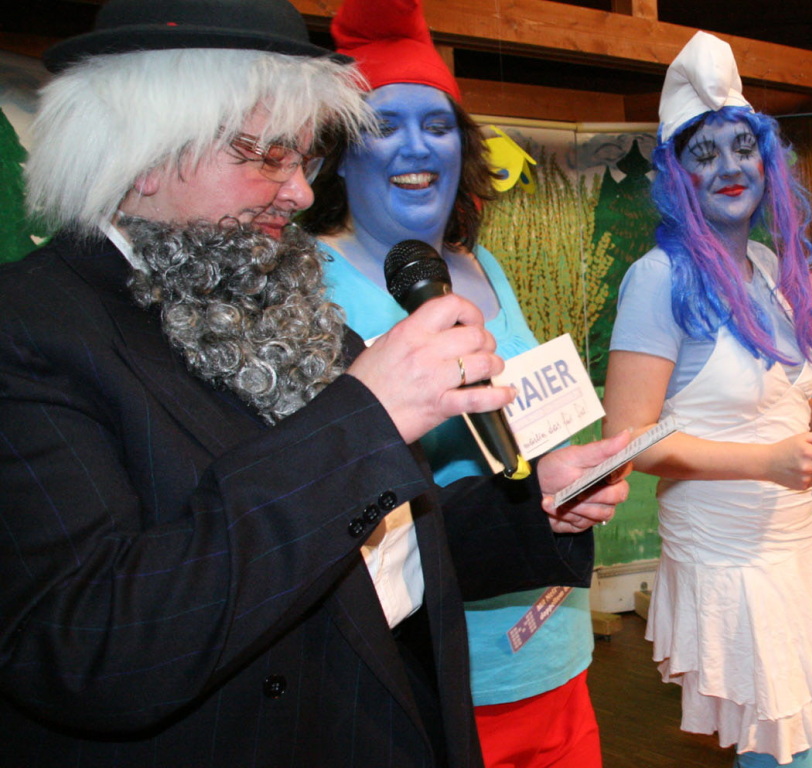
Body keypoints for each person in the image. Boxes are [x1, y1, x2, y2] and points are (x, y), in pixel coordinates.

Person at [0, 1, 632, 765]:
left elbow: (377, 550)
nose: (300, 193)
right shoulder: (31, 331)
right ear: (145, 153)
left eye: (303, 159)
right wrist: (363, 420)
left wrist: (536, 510)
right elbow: (94, 644)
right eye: (267, 157)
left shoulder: (285, 300)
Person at [298, 1, 604, 765]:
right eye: (385, 125)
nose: (416, 146)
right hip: (428, 670)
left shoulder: (482, 267)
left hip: (554, 639)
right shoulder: (311, 286)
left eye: (436, 127)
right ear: (338, 153)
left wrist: (580, 474)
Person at [602, 31, 812, 768]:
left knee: (794, 738)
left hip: (791, 541)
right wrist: (767, 460)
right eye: (704, 152)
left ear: (768, 161)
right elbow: (627, 441)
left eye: (742, 148)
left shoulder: (765, 265)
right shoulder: (657, 279)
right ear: (676, 174)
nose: (729, 167)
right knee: (775, 747)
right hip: (729, 555)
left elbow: (799, 384)